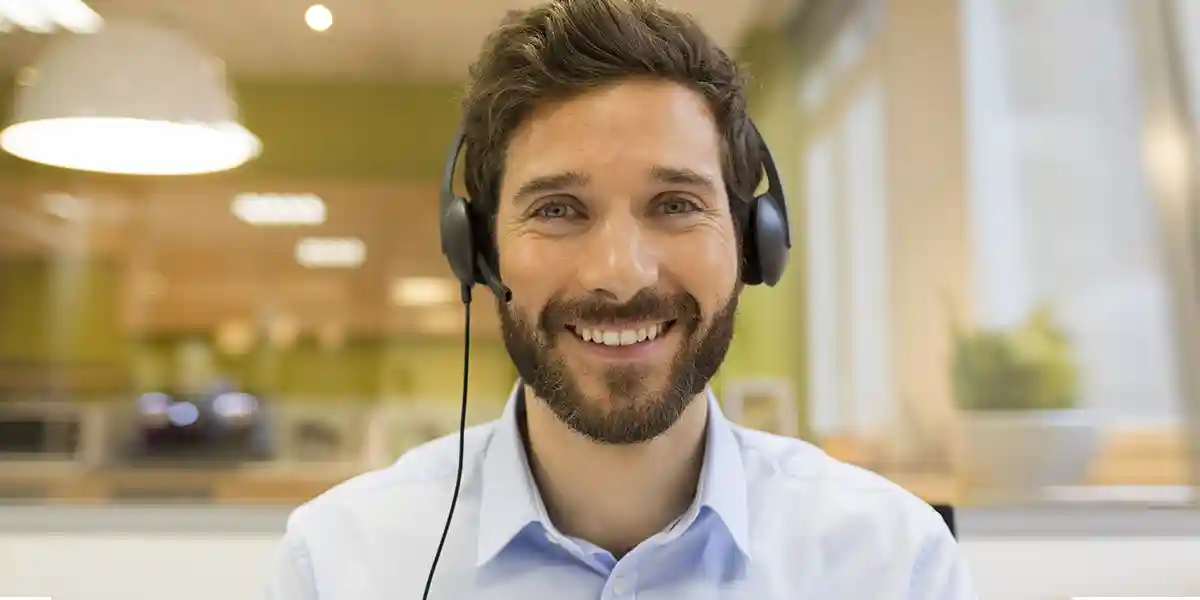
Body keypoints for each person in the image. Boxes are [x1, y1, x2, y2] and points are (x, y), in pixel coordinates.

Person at [266, 1, 977, 598]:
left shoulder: (890, 564)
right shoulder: (339, 564)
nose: (620, 273)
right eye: (557, 210)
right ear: (479, 251)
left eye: (674, 203)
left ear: (753, 240)